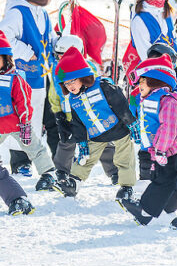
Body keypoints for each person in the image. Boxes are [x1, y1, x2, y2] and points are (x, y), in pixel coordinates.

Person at [119, 55, 177, 229]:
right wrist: (155, 154)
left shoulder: (170, 100)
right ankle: (145, 210)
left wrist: (160, 151)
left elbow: (169, 127)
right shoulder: (150, 101)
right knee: (162, 179)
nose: (138, 85)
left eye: (142, 81)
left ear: (155, 80)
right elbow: (152, 132)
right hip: (168, 151)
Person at [0, 0, 58, 191]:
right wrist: (26, 52)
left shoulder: (42, 13)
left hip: (39, 77)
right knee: (20, 118)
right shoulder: (18, 13)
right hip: (21, 78)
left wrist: (58, 44)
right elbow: (2, 37)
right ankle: (19, 161)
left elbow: (48, 37)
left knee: (34, 119)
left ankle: (32, 160)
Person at [52, 47, 137, 202]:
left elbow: (120, 104)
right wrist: (82, 141)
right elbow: (78, 123)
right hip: (95, 135)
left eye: (73, 80)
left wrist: (131, 123)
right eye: (66, 82)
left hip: (118, 130)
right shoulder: (73, 99)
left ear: (82, 77)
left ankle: (126, 187)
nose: (70, 86)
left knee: (124, 158)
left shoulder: (103, 86)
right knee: (86, 158)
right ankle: (74, 183)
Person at [0, 30, 56, 186]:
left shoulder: (15, 78)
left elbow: (23, 101)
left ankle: (48, 174)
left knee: (35, 148)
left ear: (6, 59)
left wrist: (25, 123)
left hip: (17, 124)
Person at [126, 0, 177, 76]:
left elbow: (172, 39)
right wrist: (160, 69)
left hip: (172, 66)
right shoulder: (140, 18)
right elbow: (143, 50)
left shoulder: (166, 12)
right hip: (153, 70)